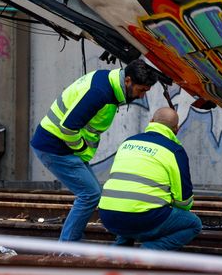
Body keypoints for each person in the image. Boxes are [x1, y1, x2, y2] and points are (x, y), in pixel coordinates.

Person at [30, 58, 159, 242]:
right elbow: (67, 127)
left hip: (61, 145)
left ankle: (72, 242)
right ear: (128, 80)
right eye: (141, 90)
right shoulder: (100, 92)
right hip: (54, 146)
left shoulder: (109, 84)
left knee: (91, 193)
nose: (141, 96)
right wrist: (82, 148)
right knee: (90, 194)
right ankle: (66, 250)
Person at [98, 107, 202, 250]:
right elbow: (184, 202)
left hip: (107, 214)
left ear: (151, 121)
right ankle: (148, 252)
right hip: (143, 218)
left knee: (131, 208)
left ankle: (116, 254)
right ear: (176, 129)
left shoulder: (127, 142)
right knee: (194, 224)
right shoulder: (175, 151)